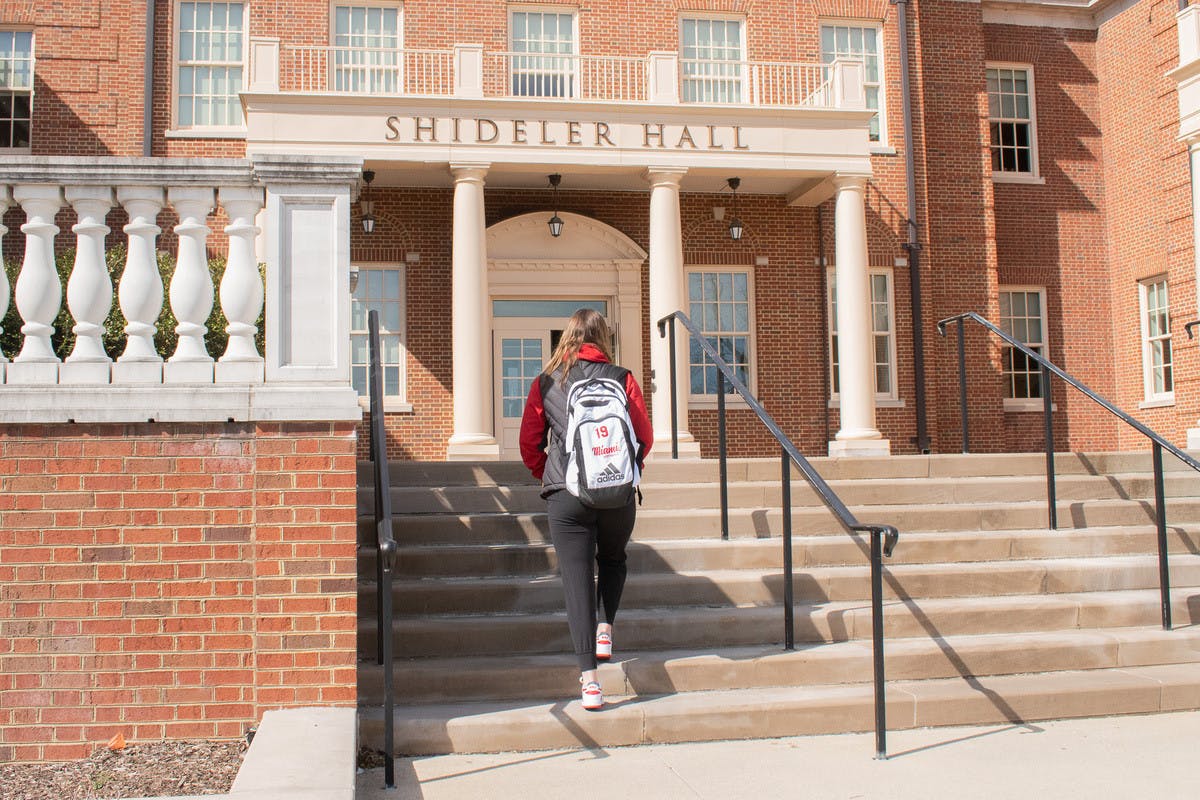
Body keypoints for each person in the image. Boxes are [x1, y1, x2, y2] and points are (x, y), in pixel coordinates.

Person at [519, 308, 653, 711]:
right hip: (617, 492)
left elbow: (529, 442)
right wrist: (627, 473)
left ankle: (590, 684)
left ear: (568, 338)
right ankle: (606, 627)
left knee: (577, 580)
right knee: (613, 560)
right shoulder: (622, 378)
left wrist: (551, 475)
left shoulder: (546, 383)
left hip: (566, 494)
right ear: (602, 338)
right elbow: (644, 437)